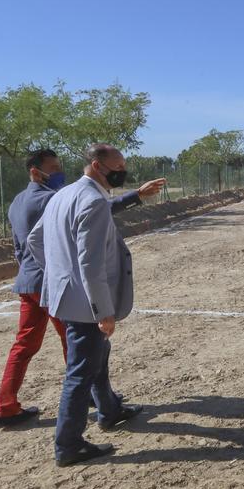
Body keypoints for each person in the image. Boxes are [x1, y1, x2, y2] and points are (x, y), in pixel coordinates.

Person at [0, 147, 164, 429]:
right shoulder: (55, 198)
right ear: (35, 172)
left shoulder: (16, 202)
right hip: (58, 284)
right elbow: (96, 212)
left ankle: (7, 406)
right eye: (53, 168)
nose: (59, 172)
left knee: (25, 346)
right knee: (85, 350)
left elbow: (21, 245)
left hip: (28, 281)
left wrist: (34, 267)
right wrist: (136, 196)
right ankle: (92, 410)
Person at [27, 143, 147, 466]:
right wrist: (103, 311)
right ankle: (68, 445)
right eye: (116, 166)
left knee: (97, 355)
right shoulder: (93, 201)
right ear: (97, 165)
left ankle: (109, 410)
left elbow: (35, 242)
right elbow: (90, 264)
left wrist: (59, 274)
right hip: (85, 305)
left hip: (66, 297)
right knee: (80, 371)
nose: (121, 172)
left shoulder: (61, 196)